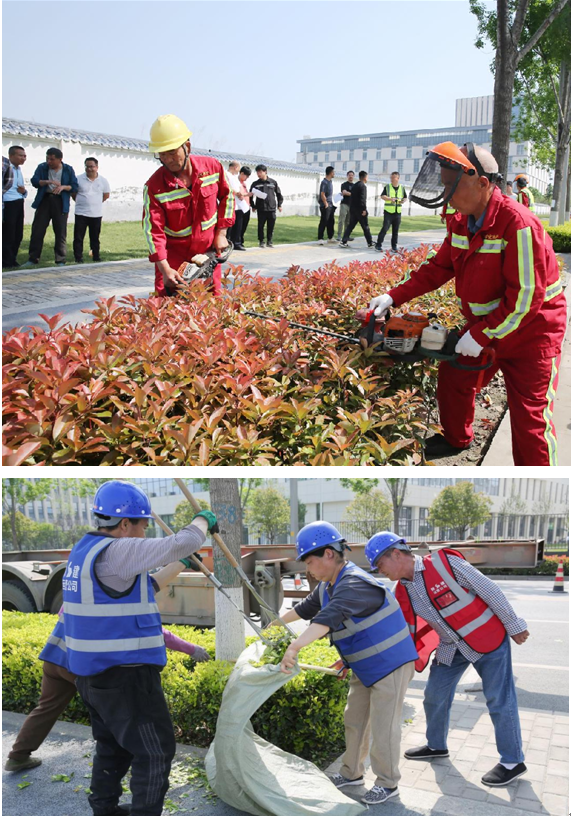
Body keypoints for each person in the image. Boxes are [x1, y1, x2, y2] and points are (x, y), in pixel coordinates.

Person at [367, 142, 567, 466]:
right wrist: (393, 295)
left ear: (482, 183)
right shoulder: (461, 221)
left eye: (450, 185)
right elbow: (439, 268)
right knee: (455, 375)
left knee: (531, 424)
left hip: (534, 334)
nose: (445, 192)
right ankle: (456, 438)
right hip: (488, 327)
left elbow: (526, 299)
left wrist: (482, 335)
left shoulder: (519, 225)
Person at [59, 480, 219, 816]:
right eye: (143, 524)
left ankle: (104, 810)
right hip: (126, 677)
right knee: (156, 752)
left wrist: (180, 564)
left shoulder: (86, 551)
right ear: (125, 523)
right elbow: (185, 539)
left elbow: (145, 587)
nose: (145, 531)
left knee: (113, 748)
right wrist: (203, 519)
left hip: (94, 677)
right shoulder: (118, 549)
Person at [5, 571, 209, 776]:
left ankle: (18, 756)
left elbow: (62, 613)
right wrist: (192, 649)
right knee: (114, 711)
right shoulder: (112, 601)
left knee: (46, 708)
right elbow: (158, 631)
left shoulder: (83, 592)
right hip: (79, 664)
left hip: (55, 656)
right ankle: (122, 767)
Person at [368, 531, 530, 788]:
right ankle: (436, 745)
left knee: (499, 699)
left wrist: (513, 624)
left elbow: (489, 589)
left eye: (380, 564)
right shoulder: (403, 590)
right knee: (434, 695)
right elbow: (394, 627)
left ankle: (512, 761)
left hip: (487, 638)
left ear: (396, 554)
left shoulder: (445, 564)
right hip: (451, 647)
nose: (379, 571)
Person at [278, 521, 418, 806]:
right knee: (354, 719)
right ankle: (352, 773)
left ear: (329, 554)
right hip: (365, 666)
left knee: (383, 726)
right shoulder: (329, 585)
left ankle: (388, 782)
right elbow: (306, 608)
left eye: (310, 561)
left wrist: (294, 648)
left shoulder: (353, 582)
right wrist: (275, 623)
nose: (308, 569)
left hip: (391, 663)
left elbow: (327, 619)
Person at [143, 114, 235, 297]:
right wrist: (164, 268)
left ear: (187, 146)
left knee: (211, 303)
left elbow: (228, 196)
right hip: (173, 258)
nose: (167, 159)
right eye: (161, 154)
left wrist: (222, 234)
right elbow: (154, 231)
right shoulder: (154, 187)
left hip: (207, 253)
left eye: (172, 152)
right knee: (168, 308)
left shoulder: (212, 168)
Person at [20, 148, 78, 268]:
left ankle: (60, 259)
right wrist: (47, 181)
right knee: (37, 230)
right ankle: (33, 258)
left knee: (60, 231)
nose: (49, 161)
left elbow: (74, 186)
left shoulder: (68, 169)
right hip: (44, 200)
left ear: (60, 159)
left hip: (60, 201)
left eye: (52, 159)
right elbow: (34, 181)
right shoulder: (42, 167)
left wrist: (63, 187)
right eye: (47, 158)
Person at [72, 157, 111, 263]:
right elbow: (73, 193)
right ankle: (78, 258)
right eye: (87, 166)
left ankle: (96, 256)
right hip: (81, 213)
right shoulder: (78, 179)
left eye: (92, 166)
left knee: (95, 237)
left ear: (97, 167)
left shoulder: (103, 180)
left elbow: (106, 195)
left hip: (96, 214)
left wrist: (95, 202)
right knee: (78, 237)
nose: (89, 169)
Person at [2, 146, 28, 268]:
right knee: (8, 233)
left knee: (18, 234)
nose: (23, 158)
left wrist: (24, 192)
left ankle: (13, 259)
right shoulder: (5, 168)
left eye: (24, 156)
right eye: (20, 155)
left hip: (19, 202)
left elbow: (21, 189)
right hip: (8, 203)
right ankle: (6, 261)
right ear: (11, 156)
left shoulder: (19, 170)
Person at [250, 164, 283, 248]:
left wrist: (279, 205)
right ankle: (261, 241)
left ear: (265, 172)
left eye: (260, 172)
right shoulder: (256, 184)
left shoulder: (273, 182)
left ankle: (269, 241)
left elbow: (279, 194)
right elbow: (250, 195)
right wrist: (253, 205)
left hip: (271, 208)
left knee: (271, 226)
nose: (259, 174)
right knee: (260, 226)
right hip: (261, 208)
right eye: (257, 172)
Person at [339, 170, 374, 248]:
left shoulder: (355, 186)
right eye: (367, 177)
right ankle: (370, 242)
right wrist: (364, 209)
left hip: (353, 210)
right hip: (360, 210)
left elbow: (352, 198)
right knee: (365, 226)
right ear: (365, 177)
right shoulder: (362, 186)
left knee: (350, 226)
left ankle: (343, 241)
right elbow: (362, 199)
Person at [375, 171, 407, 253]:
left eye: (393, 177)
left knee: (395, 231)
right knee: (385, 228)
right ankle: (378, 245)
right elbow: (382, 196)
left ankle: (394, 246)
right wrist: (390, 199)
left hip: (398, 212)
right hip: (388, 212)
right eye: (391, 177)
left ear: (398, 178)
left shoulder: (402, 188)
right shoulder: (388, 187)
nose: (392, 179)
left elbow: (405, 197)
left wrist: (403, 201)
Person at [227, 161, 247, 250]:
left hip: (239, 204)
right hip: (230, 203)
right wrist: (237, 193)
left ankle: (236, 242)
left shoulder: (235, 177)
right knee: (229, 225)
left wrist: (241, 194)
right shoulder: (225, 174)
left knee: (238, 224)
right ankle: (226, 242)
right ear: (235, 167)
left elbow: (239, 188)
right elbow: (227, 186)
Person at [317, 165, 336, 245]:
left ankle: (330, 237)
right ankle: (320, 238)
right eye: (333, 172)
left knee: (331, 221)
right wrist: (326, 204)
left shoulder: (330, 182)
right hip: (325, 205)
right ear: (331, 173)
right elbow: (322, 194)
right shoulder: (324, 182)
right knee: (324, 221)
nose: (334, 174)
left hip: (331, 204)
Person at [234, 165, 252, 249]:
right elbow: (238, 194)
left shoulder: (244, 183)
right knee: (238, 226)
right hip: (239, 207)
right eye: (246, 176)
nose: (247, 178)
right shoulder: (236, 182)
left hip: (246, 207)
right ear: (241, 173)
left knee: (244, 225)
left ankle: (240, 241)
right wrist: (247, 194)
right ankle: (236, 242)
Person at [337, 169, 355, 241]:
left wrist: (350, 193)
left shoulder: (355, 186)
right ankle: (339, 235)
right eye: (349, 175)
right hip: (344, 204)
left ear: (353, 176)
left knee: (348, 222)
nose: (350, 177)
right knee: (341, 220)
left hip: (351, 205)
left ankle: (346, 236)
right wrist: (351, 194)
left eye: (352, 175)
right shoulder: (344, 184)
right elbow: (344, 192)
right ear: (347, 176)